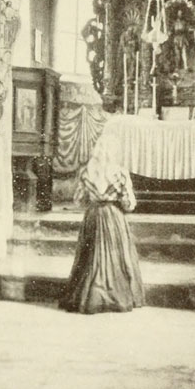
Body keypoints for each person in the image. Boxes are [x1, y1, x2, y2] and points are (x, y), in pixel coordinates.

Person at [59, 117, 144, 314]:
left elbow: (78, 201)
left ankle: (90, 295)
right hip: (114, 218)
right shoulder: (120, 173)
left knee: (90, 257)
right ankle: (115, 294)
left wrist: (94, 200)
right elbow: (129, 204)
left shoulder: (86, 172)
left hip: (94, 216)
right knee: (116, 258)